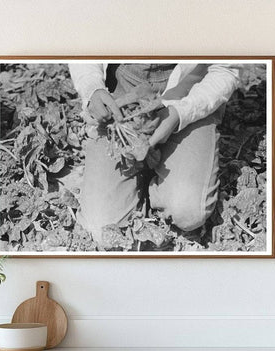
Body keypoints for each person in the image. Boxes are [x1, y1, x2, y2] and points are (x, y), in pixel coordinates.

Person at [69, 62, 240, 246]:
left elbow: (225, 69)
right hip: (121, 94)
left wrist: (181, 113)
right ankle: (148, 171)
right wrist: (92, 88)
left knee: (187, 211)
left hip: (189, 93)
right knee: (100, 226)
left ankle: (162, 176)